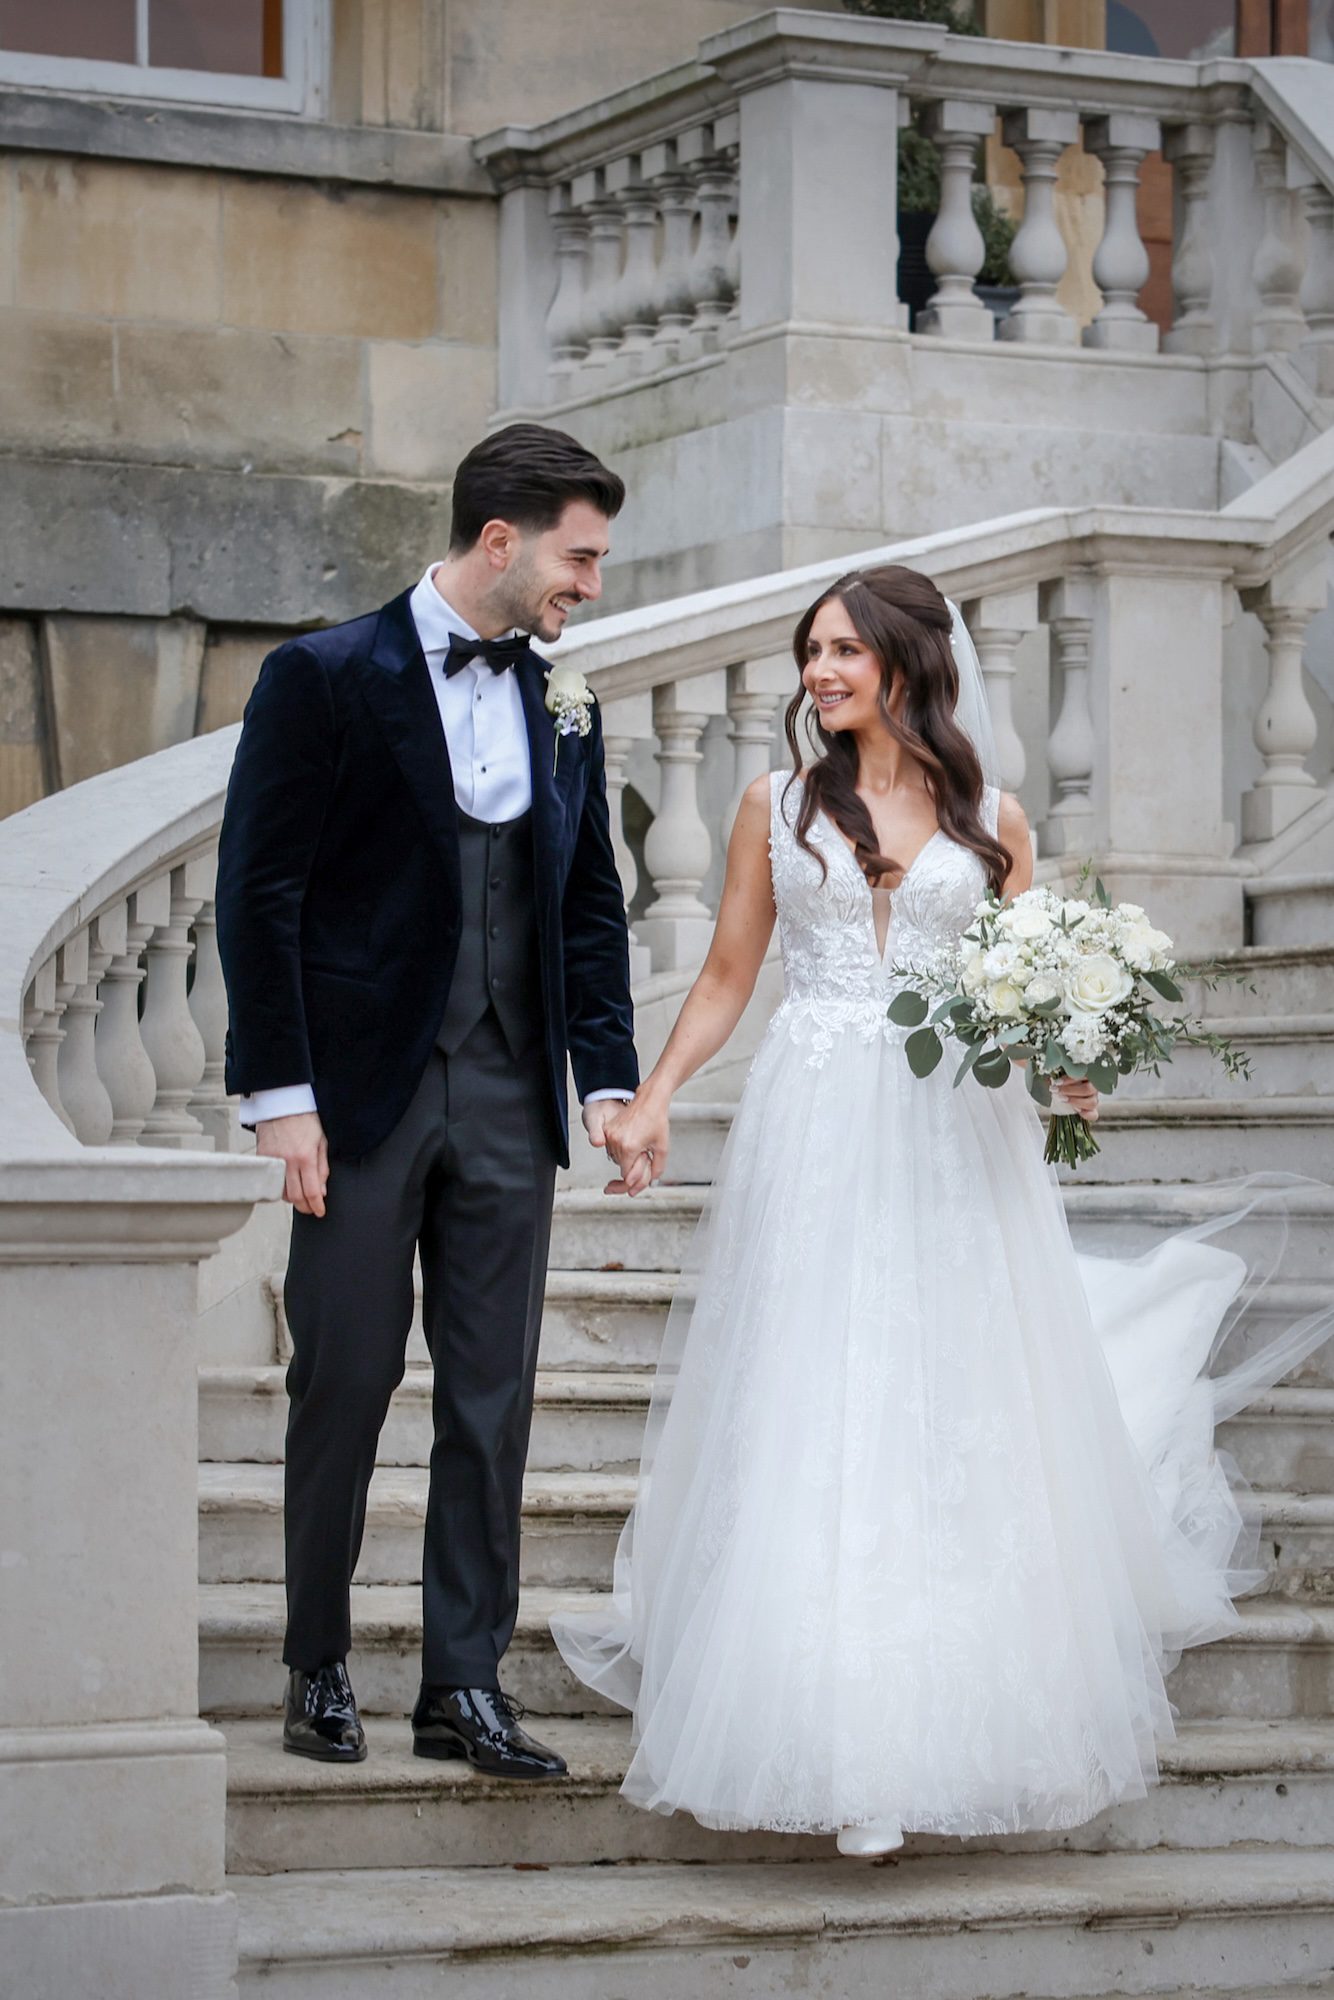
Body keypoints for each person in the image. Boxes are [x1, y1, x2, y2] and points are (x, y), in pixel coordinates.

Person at [557, 563, 1331, 1854]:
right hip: (813, 1118)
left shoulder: (995, 822)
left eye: (844, 651)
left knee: (942, 1389)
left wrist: (1069, 1062)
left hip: (950, 1125)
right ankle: (822, 1721)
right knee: (812, 1386)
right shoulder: (771, 805)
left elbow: (1027, 991)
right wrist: (652, 1098)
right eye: (811, 651)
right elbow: (728, 974)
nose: (819, 672)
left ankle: (930, 1731)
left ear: (908, 662)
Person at [216, 423, 638, 1774]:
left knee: (492, 1394)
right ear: (500, 540)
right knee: (342, 1375)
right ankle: (317, 1663)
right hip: (359, 1096)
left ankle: (464, 1682)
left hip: (512, 1089)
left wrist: (608, 1076)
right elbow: (259, 895)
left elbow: (588, 905)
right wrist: (281, 1094)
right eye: (580, 556)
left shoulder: (565, 701)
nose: (592, 584)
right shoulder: (323, 676)